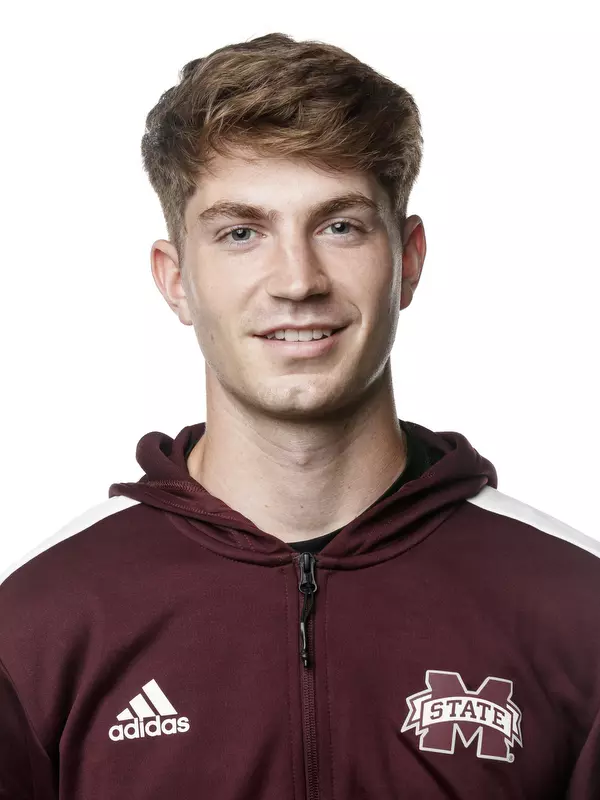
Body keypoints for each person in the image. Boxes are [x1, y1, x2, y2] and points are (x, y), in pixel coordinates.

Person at [0, 31, 598, 800]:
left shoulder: (577, 611)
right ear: (176, 278)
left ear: (408, 259)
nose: (297, 280)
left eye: (339, 225)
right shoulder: (38, 627)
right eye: (241, 233)